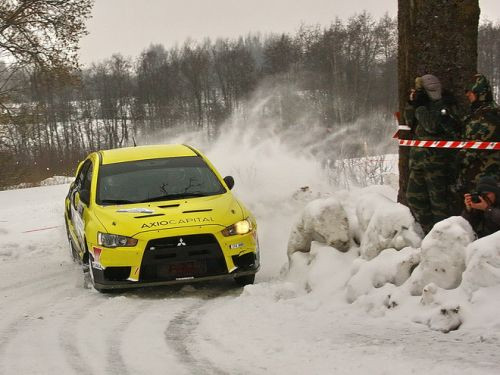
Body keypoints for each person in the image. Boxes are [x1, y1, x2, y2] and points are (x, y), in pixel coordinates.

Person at [405, 74, 460, 234]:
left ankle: (442, 237)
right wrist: (411, 103)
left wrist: (420, 107)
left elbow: (431, 126)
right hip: (418, 161)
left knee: (439, 204)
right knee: (413, 197)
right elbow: (410, 123)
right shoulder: (422, 105)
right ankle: (430, 232)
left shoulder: (444, 105)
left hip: (437, 163)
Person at [457, 74, 500, 195]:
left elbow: (478, 145)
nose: (467, 96)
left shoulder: (490, 114)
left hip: (487, 175)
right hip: (474, 173)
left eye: (470, 93)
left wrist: (459, 159)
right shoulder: (476, 113)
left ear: (480, 94)